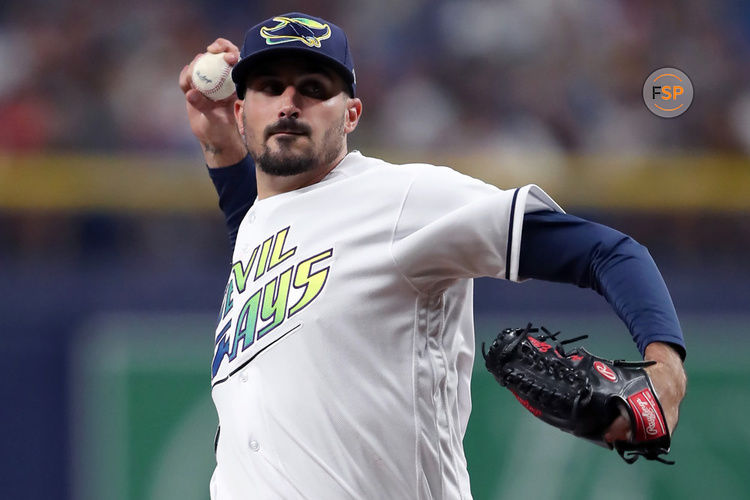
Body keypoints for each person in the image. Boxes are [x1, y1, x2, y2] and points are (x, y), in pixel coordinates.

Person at [179, 12, 687, 499]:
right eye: (269, 87)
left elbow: (608, 252)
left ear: (352, 114)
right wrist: (223, 149)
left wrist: (666, 366)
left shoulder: (403, 200)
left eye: (314, 88)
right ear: (242, 109)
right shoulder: (262, 224)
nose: (290, 103)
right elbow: (263, 222)